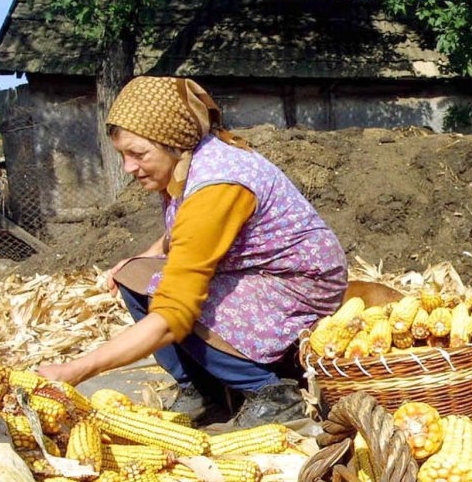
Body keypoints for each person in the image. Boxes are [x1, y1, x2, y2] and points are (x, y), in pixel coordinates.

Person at [38, 76, 347, 428]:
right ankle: (202, 390)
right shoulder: (188, 161)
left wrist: (74, 371)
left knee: (183, 308)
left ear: (173, 143)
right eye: (122, 155)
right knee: (135, 275)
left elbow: (174, 314)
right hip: (255, 270)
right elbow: (183, 231)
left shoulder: (218, 185)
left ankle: (271, 393)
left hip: (299, 283)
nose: (128, 168)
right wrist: (144, 257)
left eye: (138, 154)